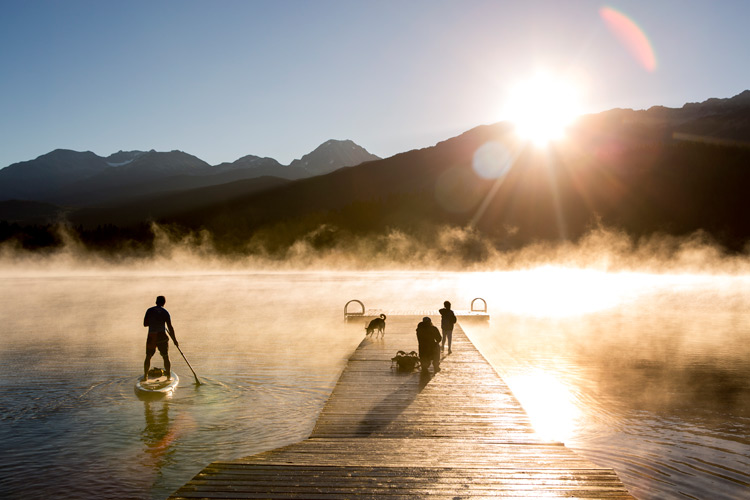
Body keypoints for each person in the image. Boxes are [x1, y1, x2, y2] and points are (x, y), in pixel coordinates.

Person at [143, 295, 178, 380]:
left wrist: (153, 322)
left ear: (156, 302)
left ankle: (145, 376)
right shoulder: (165, 312)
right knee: (165, 356)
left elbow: (145, 324)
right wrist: (174, 340)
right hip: (161, 335)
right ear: (164, 303)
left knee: (148, 356)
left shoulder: (149, 310)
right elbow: (170, 327)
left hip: (152, 335)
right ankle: (169, 376)